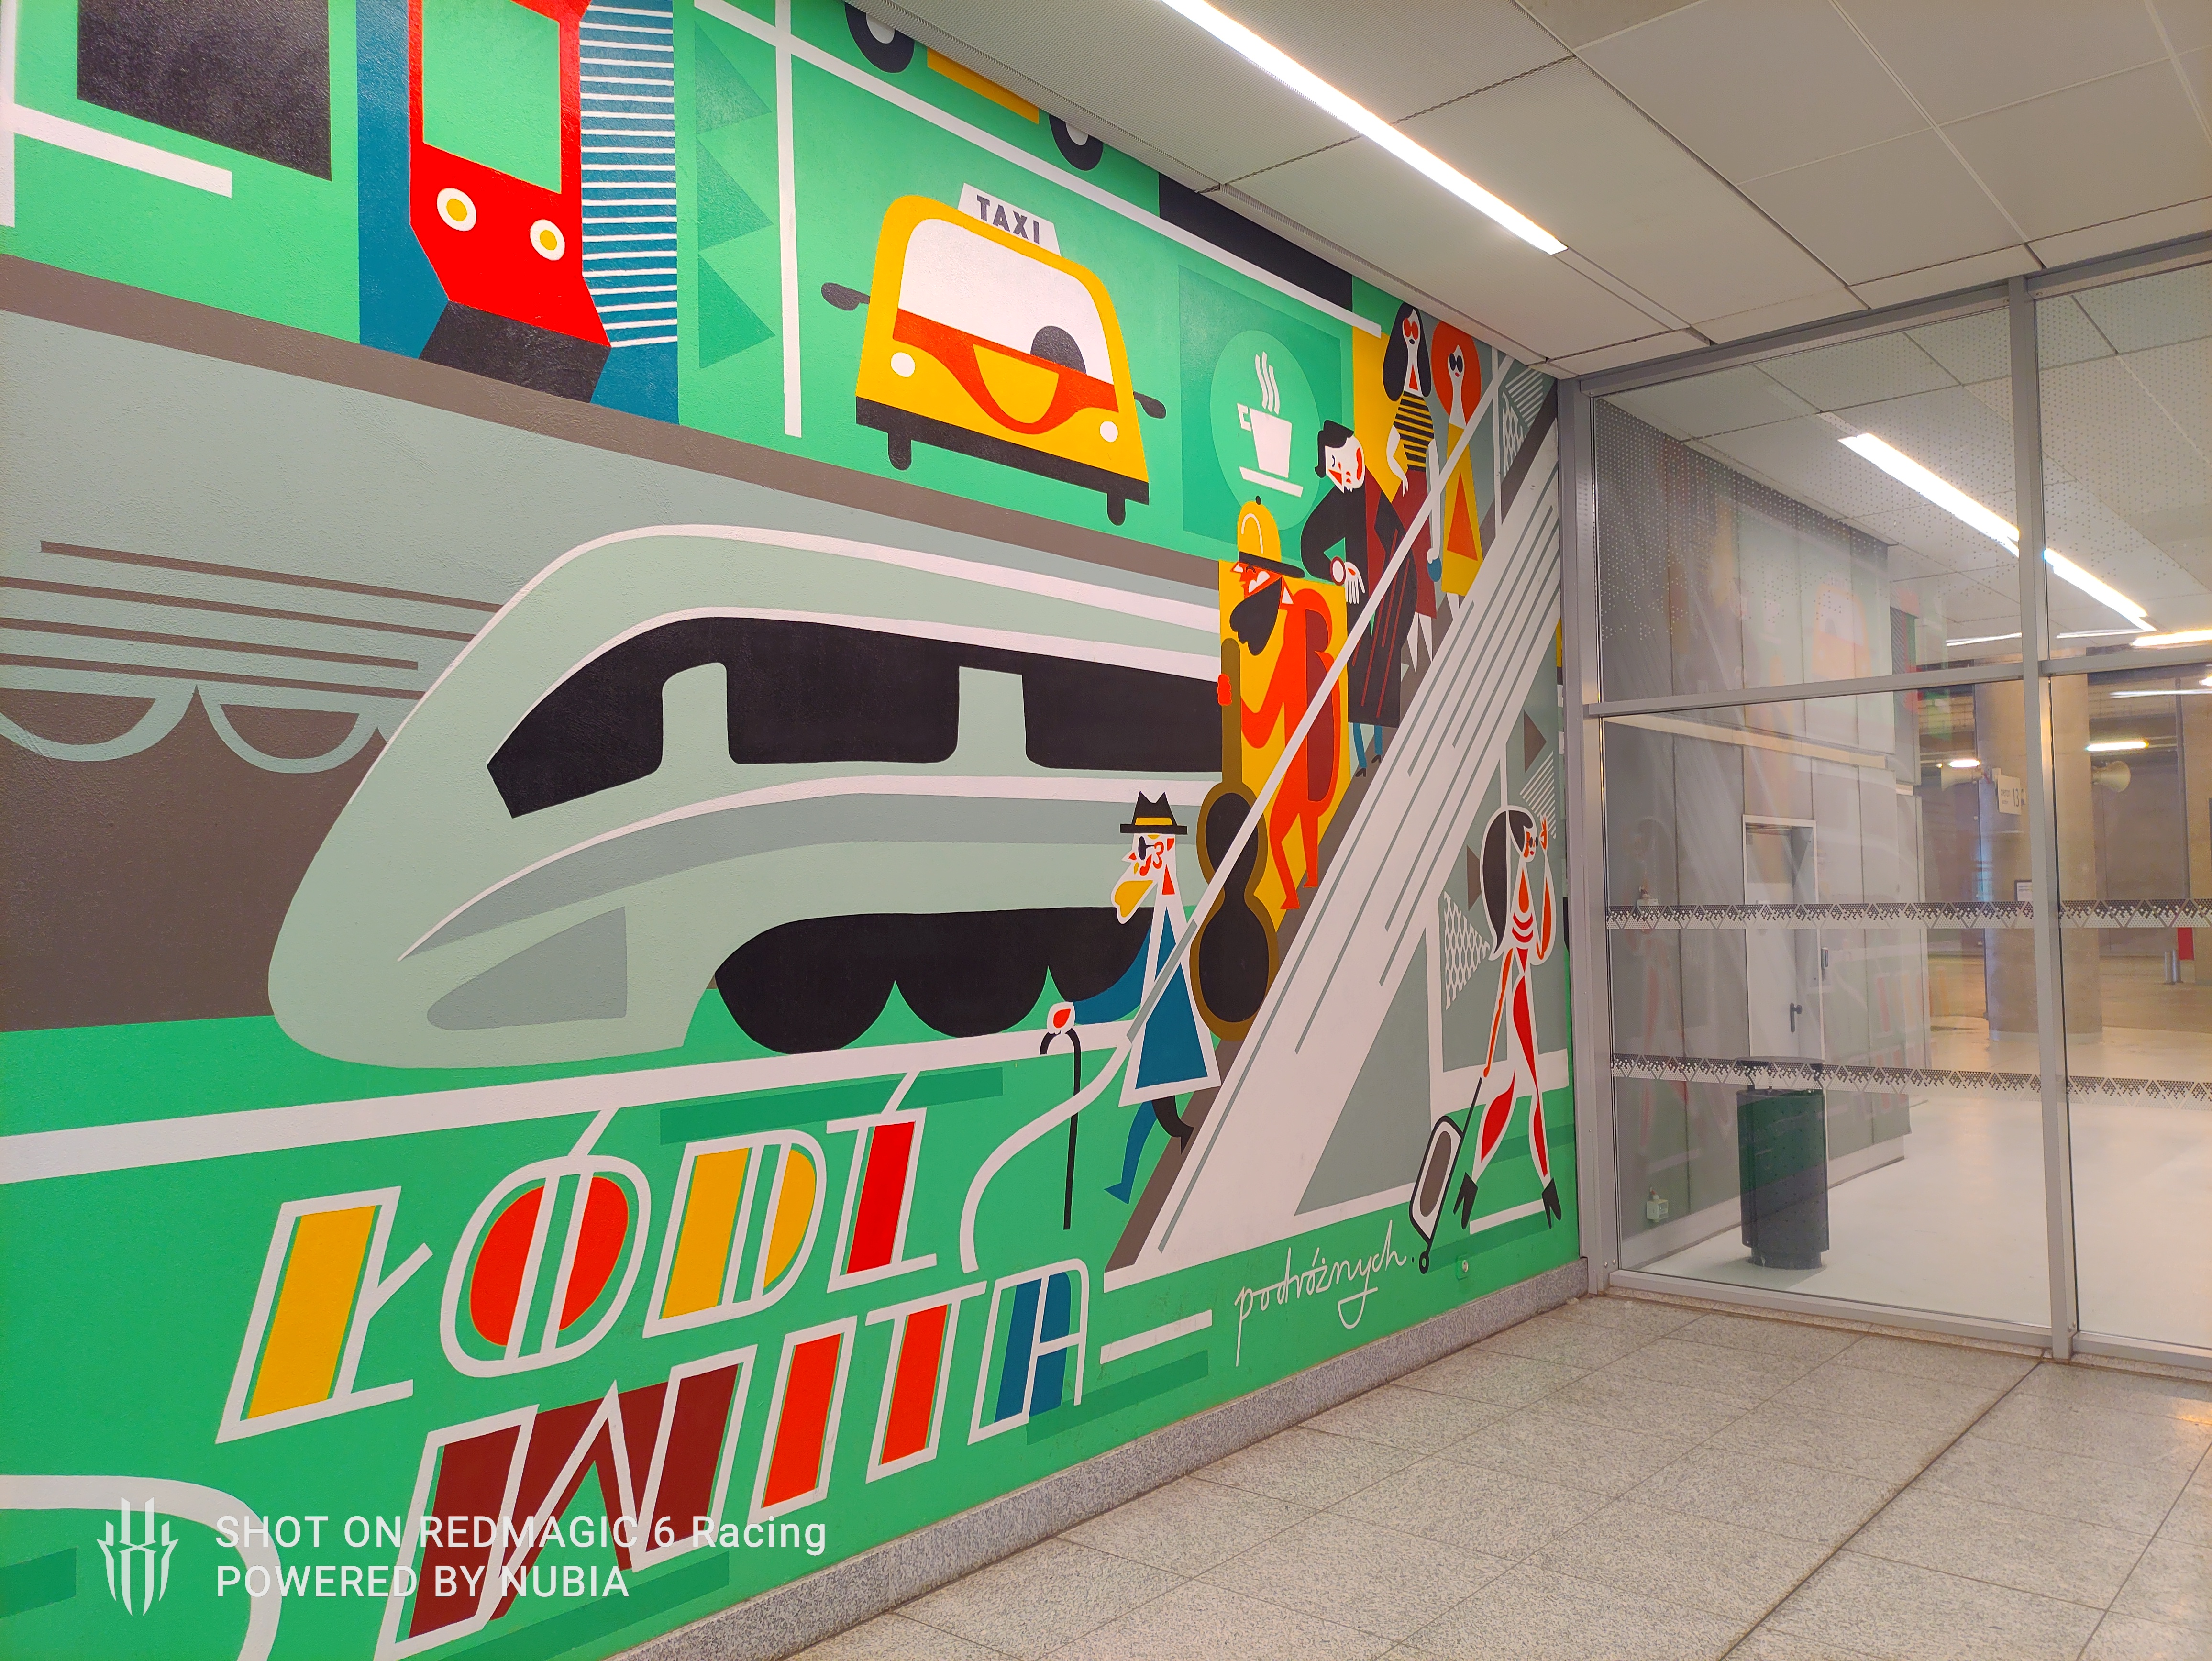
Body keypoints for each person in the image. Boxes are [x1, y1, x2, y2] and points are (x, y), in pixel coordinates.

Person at [1106, 795, 1219, 1201]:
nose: (1137, 852)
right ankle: (1136, 1176)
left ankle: (1181, 1141)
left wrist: (1084, 1011)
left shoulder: (1167, 911)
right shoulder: (1162, 900)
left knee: (1156, 1102)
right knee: (1157, 1103)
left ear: (1164, 845)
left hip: (1166, 1024)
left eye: (1146, 843)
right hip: (1167, 1022)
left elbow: (1142, 975)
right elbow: (1124, 903)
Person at [1299, 421, 1408, 776]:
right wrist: (1339, 569)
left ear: (1358, 453)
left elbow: (1401, 553)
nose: (1341, 475)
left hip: (1387, 602)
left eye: (1341, 463)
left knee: (1381, 671)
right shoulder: (1341, 500)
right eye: (1332, 469)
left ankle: (1379, 750)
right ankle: (1361, 758)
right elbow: (1309, 545)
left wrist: (1386, 588)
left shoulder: (1377, 500)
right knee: (1358, 673)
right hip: (1357, 601)